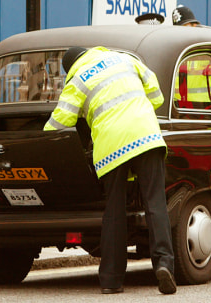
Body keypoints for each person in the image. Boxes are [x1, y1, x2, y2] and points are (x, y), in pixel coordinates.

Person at [43, 46, 176, 295]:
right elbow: (157, 96)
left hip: (111, 147)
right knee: (155, 204)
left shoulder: (78, 79)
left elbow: (60, 124)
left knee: (114, 211)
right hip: (146, 136)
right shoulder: (123, 59)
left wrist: (36, 141)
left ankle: (111, 279)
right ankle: (165, 264)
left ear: (71, 67)